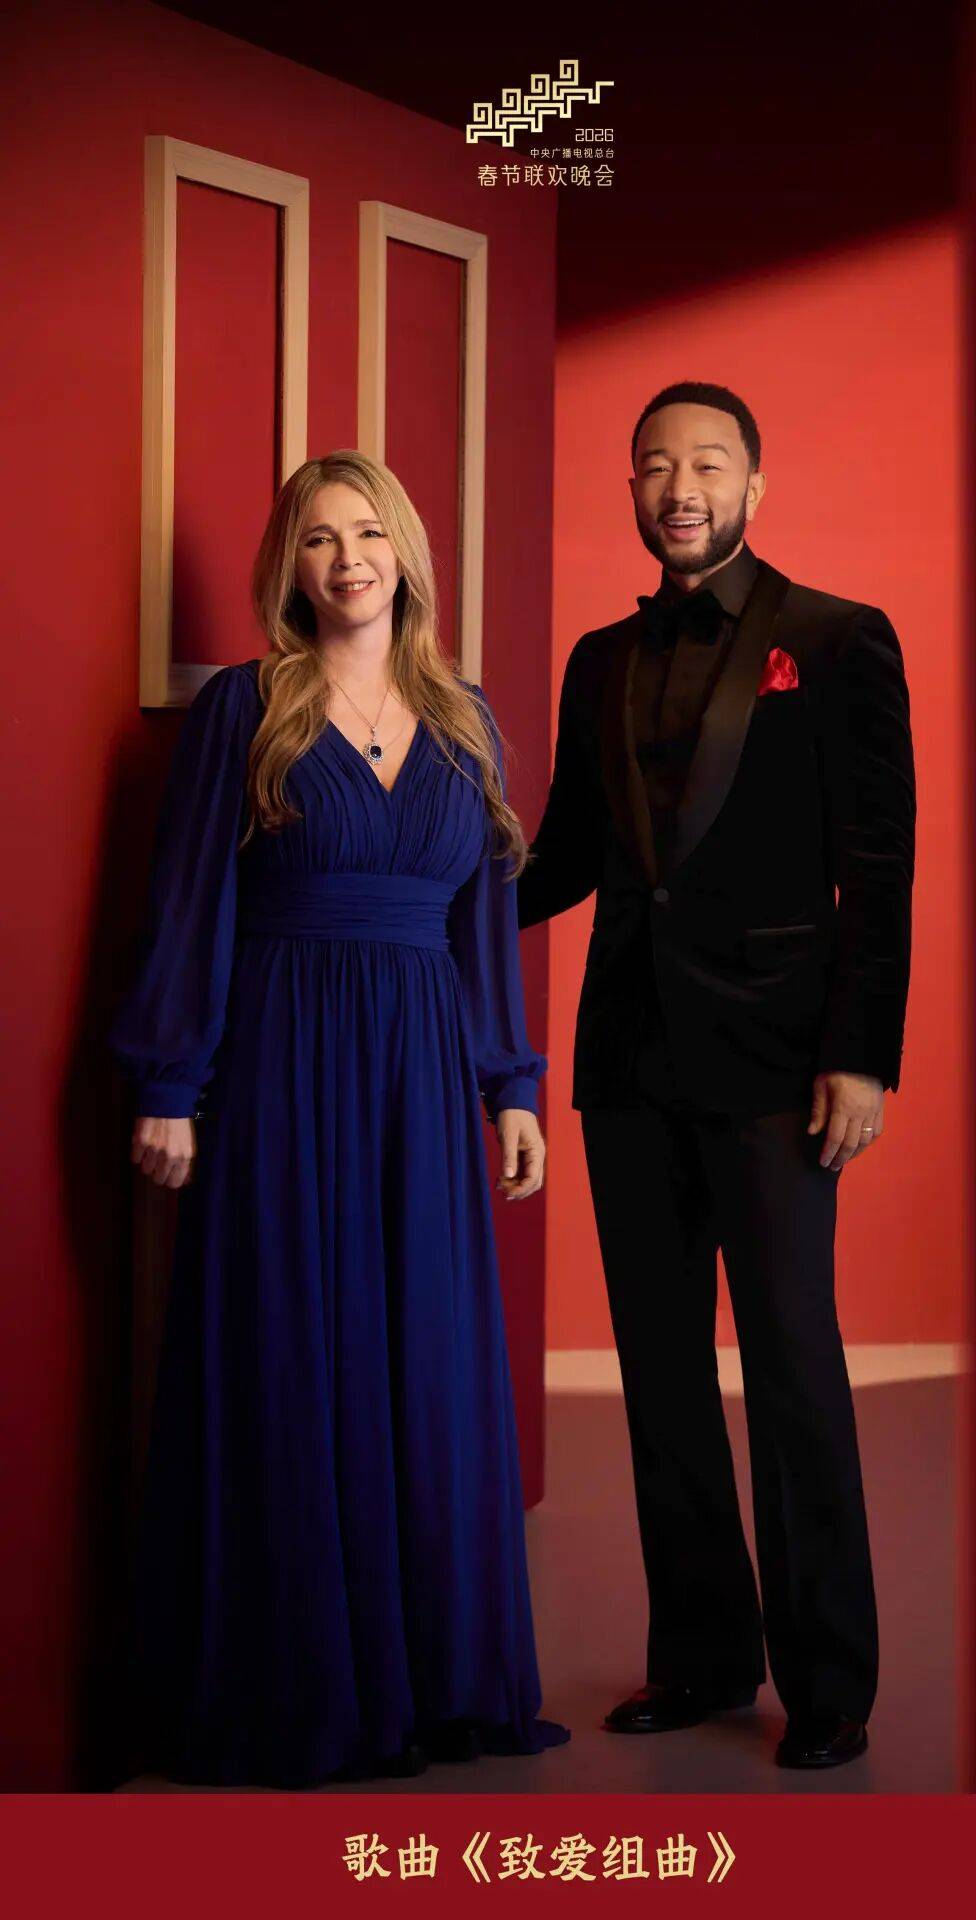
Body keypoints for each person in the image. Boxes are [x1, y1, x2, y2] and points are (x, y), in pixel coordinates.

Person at [109, 449, 569, 1788]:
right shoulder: (245, 707)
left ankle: (429, 1682)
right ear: (289, 568)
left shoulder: (466, 719)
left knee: (421, 1356)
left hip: (421, 1073)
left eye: (368, 534)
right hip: (281, 1062)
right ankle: (300, 1685)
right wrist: (170, 1084)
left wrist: (511, 1084)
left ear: (405, 554)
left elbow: (483, 926)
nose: (348, 560)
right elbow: (189, 901)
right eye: (319, 540)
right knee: (290, 1347)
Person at [516, 381, 916, 1770]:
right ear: (631, 488)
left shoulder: (840, 639)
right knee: (661, 1370)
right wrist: (419, 888)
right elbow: (567, 854)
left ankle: (831, 1685)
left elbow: (879, 869)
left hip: (780, 1062)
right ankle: (698, 1655)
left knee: (795, 1364)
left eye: (705, 464)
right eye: (653, 466)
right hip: (630, 1057)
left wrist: (861, 1055)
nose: (678, 488)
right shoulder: (596, 661)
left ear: (754, 484)